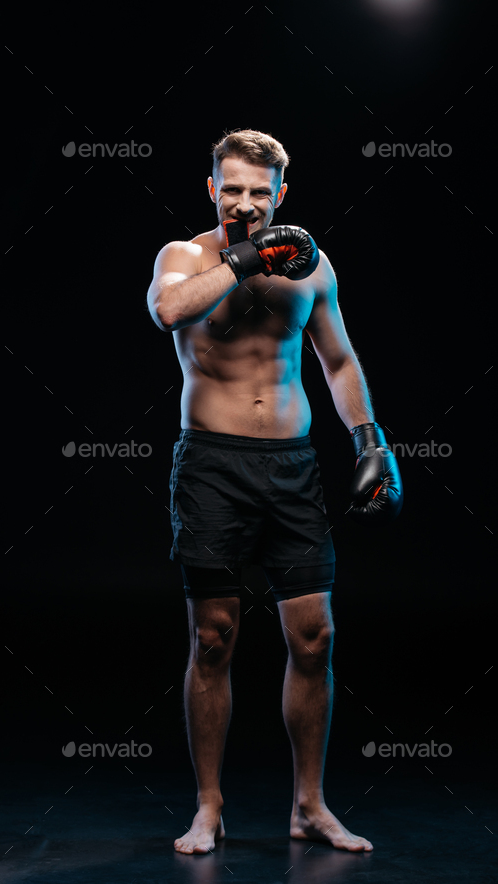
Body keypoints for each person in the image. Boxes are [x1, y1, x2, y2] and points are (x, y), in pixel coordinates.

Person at [146, 129, 403, 855]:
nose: (247, 203)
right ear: (212, 189)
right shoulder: (185, 257)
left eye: (261, 192)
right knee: (213, 638)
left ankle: (310, 806)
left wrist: (371, 440)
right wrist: (244, 257)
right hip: (211, 469)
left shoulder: (312, 268)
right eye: (233, 189)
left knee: (314, 636)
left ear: (280, 195)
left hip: (291, 469)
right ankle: (208, 806)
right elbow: (170, 311)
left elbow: (340, 359)